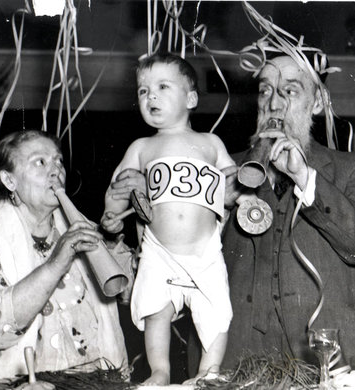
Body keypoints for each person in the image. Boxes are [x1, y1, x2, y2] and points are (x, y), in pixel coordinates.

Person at [220, 54, 355, 373]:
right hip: (239, 359)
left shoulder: (350, 169)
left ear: (318, 103)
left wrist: (305, 178)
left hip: (330, 356)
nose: (273, 104)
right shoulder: (224, 167)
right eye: (265, 90)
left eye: (290, 91)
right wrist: (217, 209)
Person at [100, 53, 236, 386]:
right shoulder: (142, 147)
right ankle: (159, 371)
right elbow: (116, 191)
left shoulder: (210, 143)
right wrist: (113, 214)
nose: (151, 96)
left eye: (162, 86)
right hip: (159, 250)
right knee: (155, 309)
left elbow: (233, 181)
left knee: (217, 312)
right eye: (143, 91)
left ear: (191, 98)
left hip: (205, 250)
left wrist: (239, 189)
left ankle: (209, 371)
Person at [0, 130, 129, 379]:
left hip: (97, 381)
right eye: (40, 162)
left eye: (58, 161)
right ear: (9, 180)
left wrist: (140, 221)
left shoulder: (82, 228)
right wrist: (56, 263)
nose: (56, 170)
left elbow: (131, 296)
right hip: (22, 383)